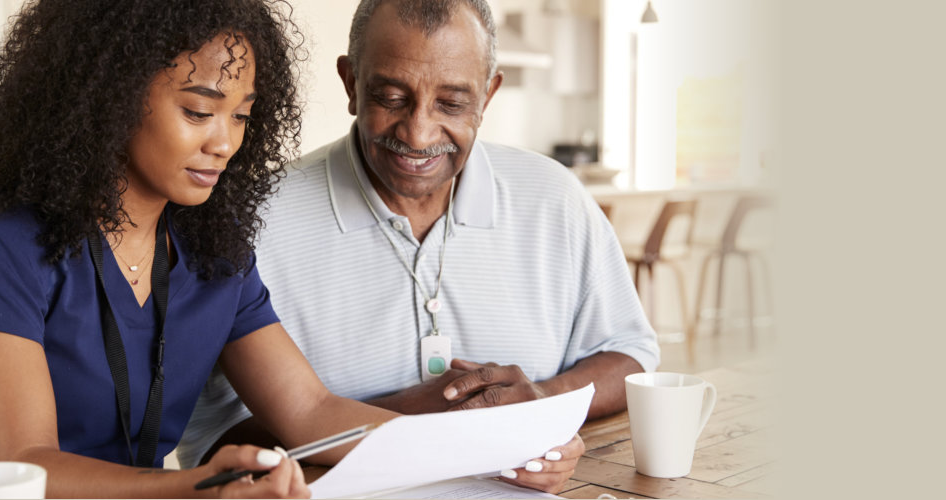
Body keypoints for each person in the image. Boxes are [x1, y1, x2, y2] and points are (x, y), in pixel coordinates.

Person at [0, 0, 578, 497]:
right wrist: (199, 486)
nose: (225, 142)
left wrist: (495, 446)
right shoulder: (1, 237)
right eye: (199, 110)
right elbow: (26, 466)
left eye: (241, 115)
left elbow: (311, 411)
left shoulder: (214, 249)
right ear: (110, 98)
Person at [179, 0, 659, 488]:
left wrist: (538, 405)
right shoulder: (253, 222)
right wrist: (419, 418)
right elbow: (217, 448)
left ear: (488, 96)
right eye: (390, 97)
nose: (419, 133)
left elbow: (630, 352)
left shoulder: (556, 197)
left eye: (451, 103)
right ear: (351, 84)